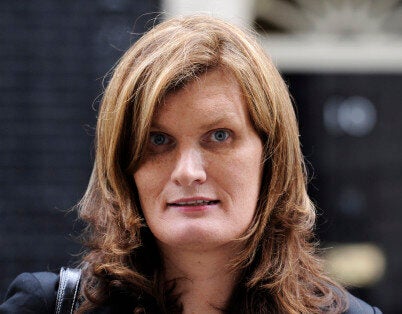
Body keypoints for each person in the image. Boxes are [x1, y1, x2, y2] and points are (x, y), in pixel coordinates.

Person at [0, 14, 381, 314]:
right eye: (158, 140)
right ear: (123, 165)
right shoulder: (46, 307)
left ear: (271, 155)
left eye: (219, 136)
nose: (187, 172)